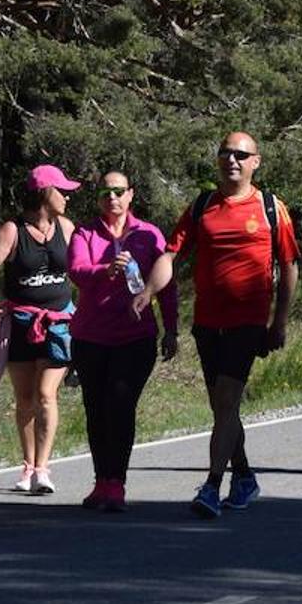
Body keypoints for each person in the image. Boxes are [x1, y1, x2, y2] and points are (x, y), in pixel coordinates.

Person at [134, 132, 300, 518]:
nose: (233, 160)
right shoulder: (203, 205)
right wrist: (148, 291)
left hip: (248, 319)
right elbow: (171, 253)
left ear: (256, 161)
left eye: (242, 154)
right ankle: (244, 476)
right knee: (221, 408)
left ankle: (211, 486)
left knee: (227, 401)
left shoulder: (272, 209)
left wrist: (280, 321)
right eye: (226, 153)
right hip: (208, 321)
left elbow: (289, 266)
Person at [68, 171, 178, 512]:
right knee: (96, 410)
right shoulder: (85, 233)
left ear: (130, 194)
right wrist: (106, 270)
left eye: (118, 191)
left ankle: (117, 483)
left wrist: (171, 328)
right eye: (105, 191)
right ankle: (101, 481)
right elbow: (76, 271)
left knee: (120, 404)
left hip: (135, 337)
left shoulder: (149, 235)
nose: (112, 197)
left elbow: (167, 284)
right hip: (91, 337)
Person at [0, 165, 79, 494]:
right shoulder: (12, 231)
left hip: (59, 324)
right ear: (44, 193)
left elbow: (81, 271)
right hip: (20, 325)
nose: (67, 196)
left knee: (47, 395)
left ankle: (43, 469)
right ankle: (29, 465)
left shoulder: (67, 227)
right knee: (25, 399)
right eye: (61, 190)